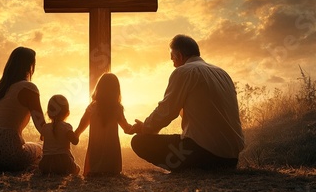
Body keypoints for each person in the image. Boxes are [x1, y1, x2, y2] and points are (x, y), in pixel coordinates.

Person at [127, 35, 245, 171]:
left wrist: (144, 128)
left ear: (179, 56)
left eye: (172, 59)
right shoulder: (223, 74)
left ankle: (191, 169)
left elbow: (166, 112)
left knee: (139, 142)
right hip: (231, 158)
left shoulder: (184, 72)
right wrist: (150, 128)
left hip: (203, 153)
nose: (173, 64)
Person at [0, 47, 46, 172]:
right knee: (40, 147)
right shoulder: (29, 88)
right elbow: (41, 125)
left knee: (1, 153)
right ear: (29, 66)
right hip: (6, 146)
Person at [75, 73, 133, 176]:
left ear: (99, 88)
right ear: (116, 91)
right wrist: (138, 128)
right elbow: (126, 128)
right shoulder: (117, 108)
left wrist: (75, 135)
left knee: (94, 173)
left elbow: (81, 126)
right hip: (111, 152)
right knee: (112, 173)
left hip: (95, 150)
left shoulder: (92, 107)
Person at [39, 95, 81, 175]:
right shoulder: (66, 127)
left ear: (48, 113)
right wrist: (77, 133)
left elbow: (42, 138)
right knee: (77, 169)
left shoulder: (45, 127)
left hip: (46, 163)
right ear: (67, 113)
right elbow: (75, 141)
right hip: (63, 162)